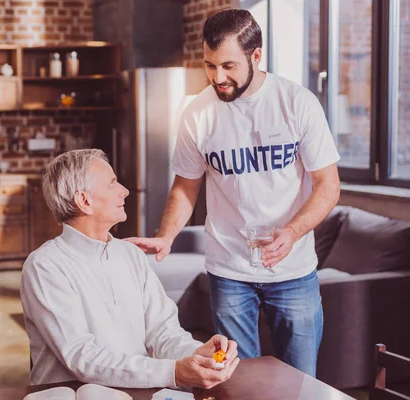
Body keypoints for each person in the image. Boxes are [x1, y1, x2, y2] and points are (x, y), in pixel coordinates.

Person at [126, 9, 340, 377]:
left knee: (299, 382)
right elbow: (185, 186)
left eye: (228, 66)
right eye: (209, 66)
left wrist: (291, 233)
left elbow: (328, 186)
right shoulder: (198, 113)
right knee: (235, 381)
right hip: (227, 272)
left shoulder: (296, 103)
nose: (217, 78)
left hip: (293, 271)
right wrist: (166, 235)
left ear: (256, 56)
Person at [20, 149, 240, 389]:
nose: (124, 191)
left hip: (135, 394)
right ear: (84, 201)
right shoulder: (45, 266)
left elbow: (164, 332)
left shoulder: (130, 255)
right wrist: (174, 372)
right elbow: (81, 358)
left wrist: (199, 353)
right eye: (113, 184)